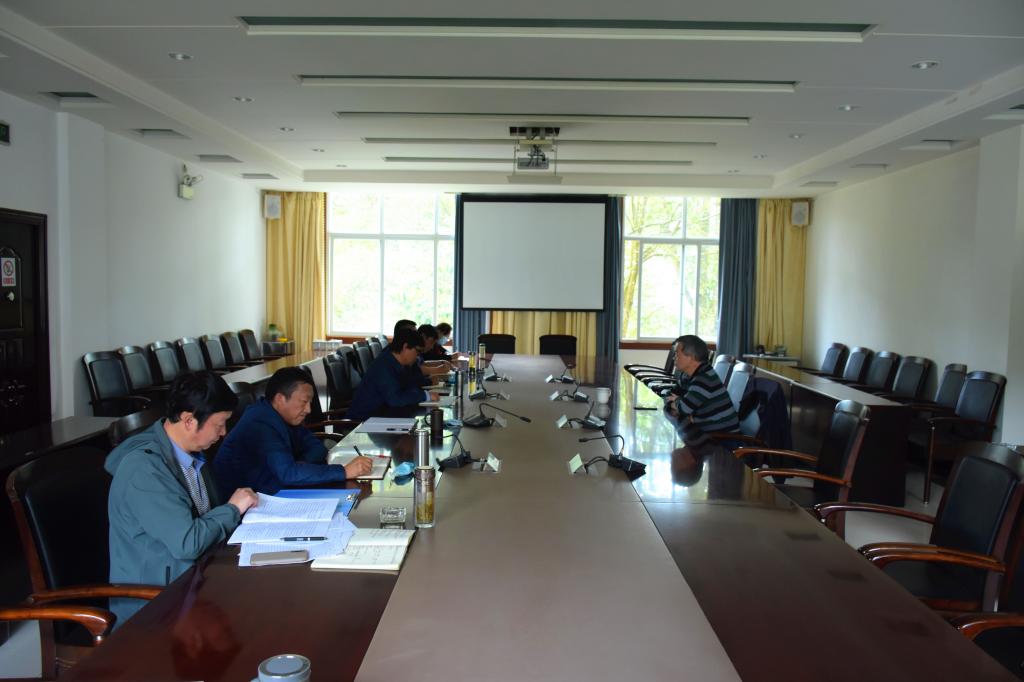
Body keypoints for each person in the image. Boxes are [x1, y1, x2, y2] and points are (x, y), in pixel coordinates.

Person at [106, 371, 259, 625]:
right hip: (153, 607)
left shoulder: (191, 454)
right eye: (219, 424)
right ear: (189, 420)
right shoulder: (144, 470)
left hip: (195, 582)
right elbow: (188, 543)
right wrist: (233, 509)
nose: (223, 433)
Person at [213, 367, 372, 495]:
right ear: (280, 399)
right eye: (304, 402)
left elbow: (317, 448)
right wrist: (344, 471)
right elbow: (288, 474)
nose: (308, 409)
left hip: (275, 490)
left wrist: (299, 466)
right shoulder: (260, 422)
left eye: (310, 402)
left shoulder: (285, 416)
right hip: (246, 506)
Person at [346, 326, 440, 420]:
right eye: (418, 351)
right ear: (405, 347)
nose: (417, 356)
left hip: (382, 416)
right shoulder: (384, 365)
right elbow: (395, 399)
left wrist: (424, 391)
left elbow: (410, 385)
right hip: (362, 422)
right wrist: (425, 395)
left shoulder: (396, 362)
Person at [663, 335, 739, 441]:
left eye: (677, 354)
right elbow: (668, 395)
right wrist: (679, 404)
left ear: (691, 357)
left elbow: (684, 409)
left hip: (723, 439)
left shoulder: (704, 378)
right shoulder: (688, 375)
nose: (674, 357)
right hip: (704, 432)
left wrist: (677, 402)